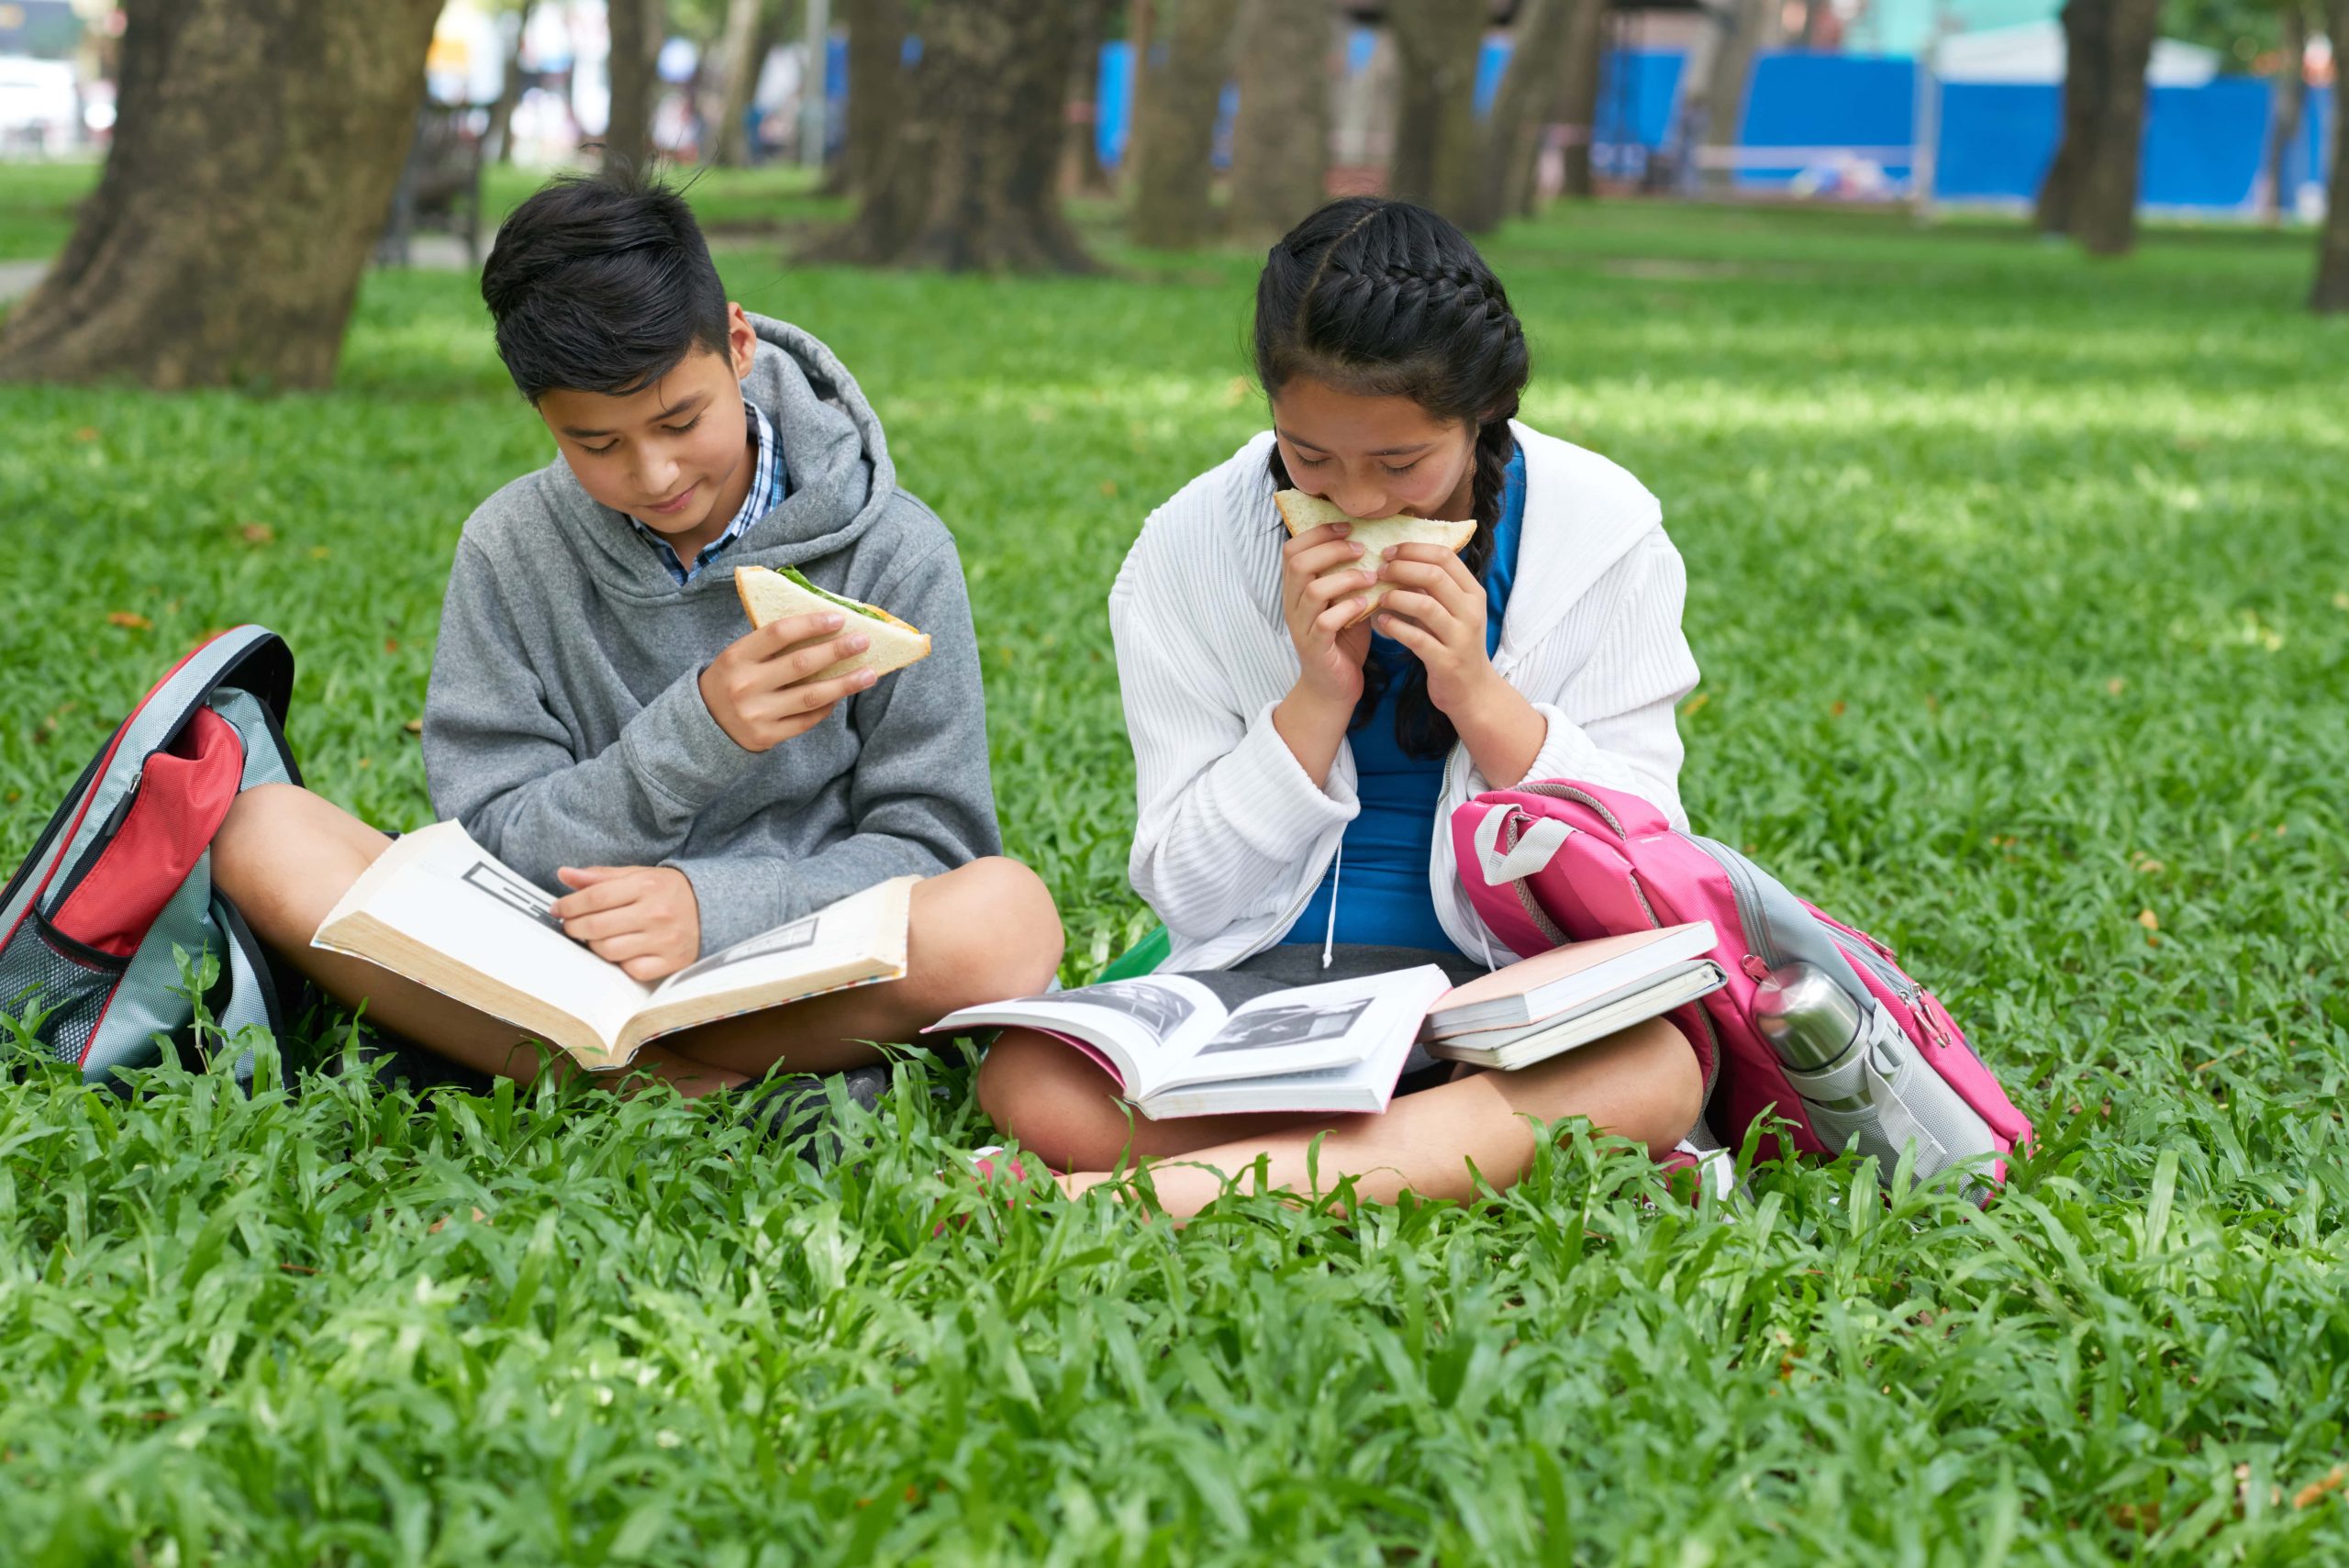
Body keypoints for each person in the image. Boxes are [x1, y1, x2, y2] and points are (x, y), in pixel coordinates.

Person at [212, 170, 1063, 1101]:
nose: (654, 474)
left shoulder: (894, 550)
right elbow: (495, 836)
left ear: (737, 344)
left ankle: (602, 1072)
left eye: (679, 419)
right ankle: (686, 1085)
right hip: (561, 954)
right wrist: (697, 734)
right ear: (542, 415)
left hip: (795, 960)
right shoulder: (510, 546)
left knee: (1006, 918)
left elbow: (934, 844)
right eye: (597, 444)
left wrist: (717, 907)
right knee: (262, 830)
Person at [976, 198, 1703, 1216]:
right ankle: (1436, 1153)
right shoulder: (1185, 550)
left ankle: (1152, 1194)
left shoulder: (1603, 532)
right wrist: (1315, 699)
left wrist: (1480, 697)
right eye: (1309, 458)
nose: (1356, 500)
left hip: (1503, 1001)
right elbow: (1191, 890)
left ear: (1482, 414)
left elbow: (1650, 864)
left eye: (1401, 463)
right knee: (1028, 1077)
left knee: (1657, 1069)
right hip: (1271, 993)